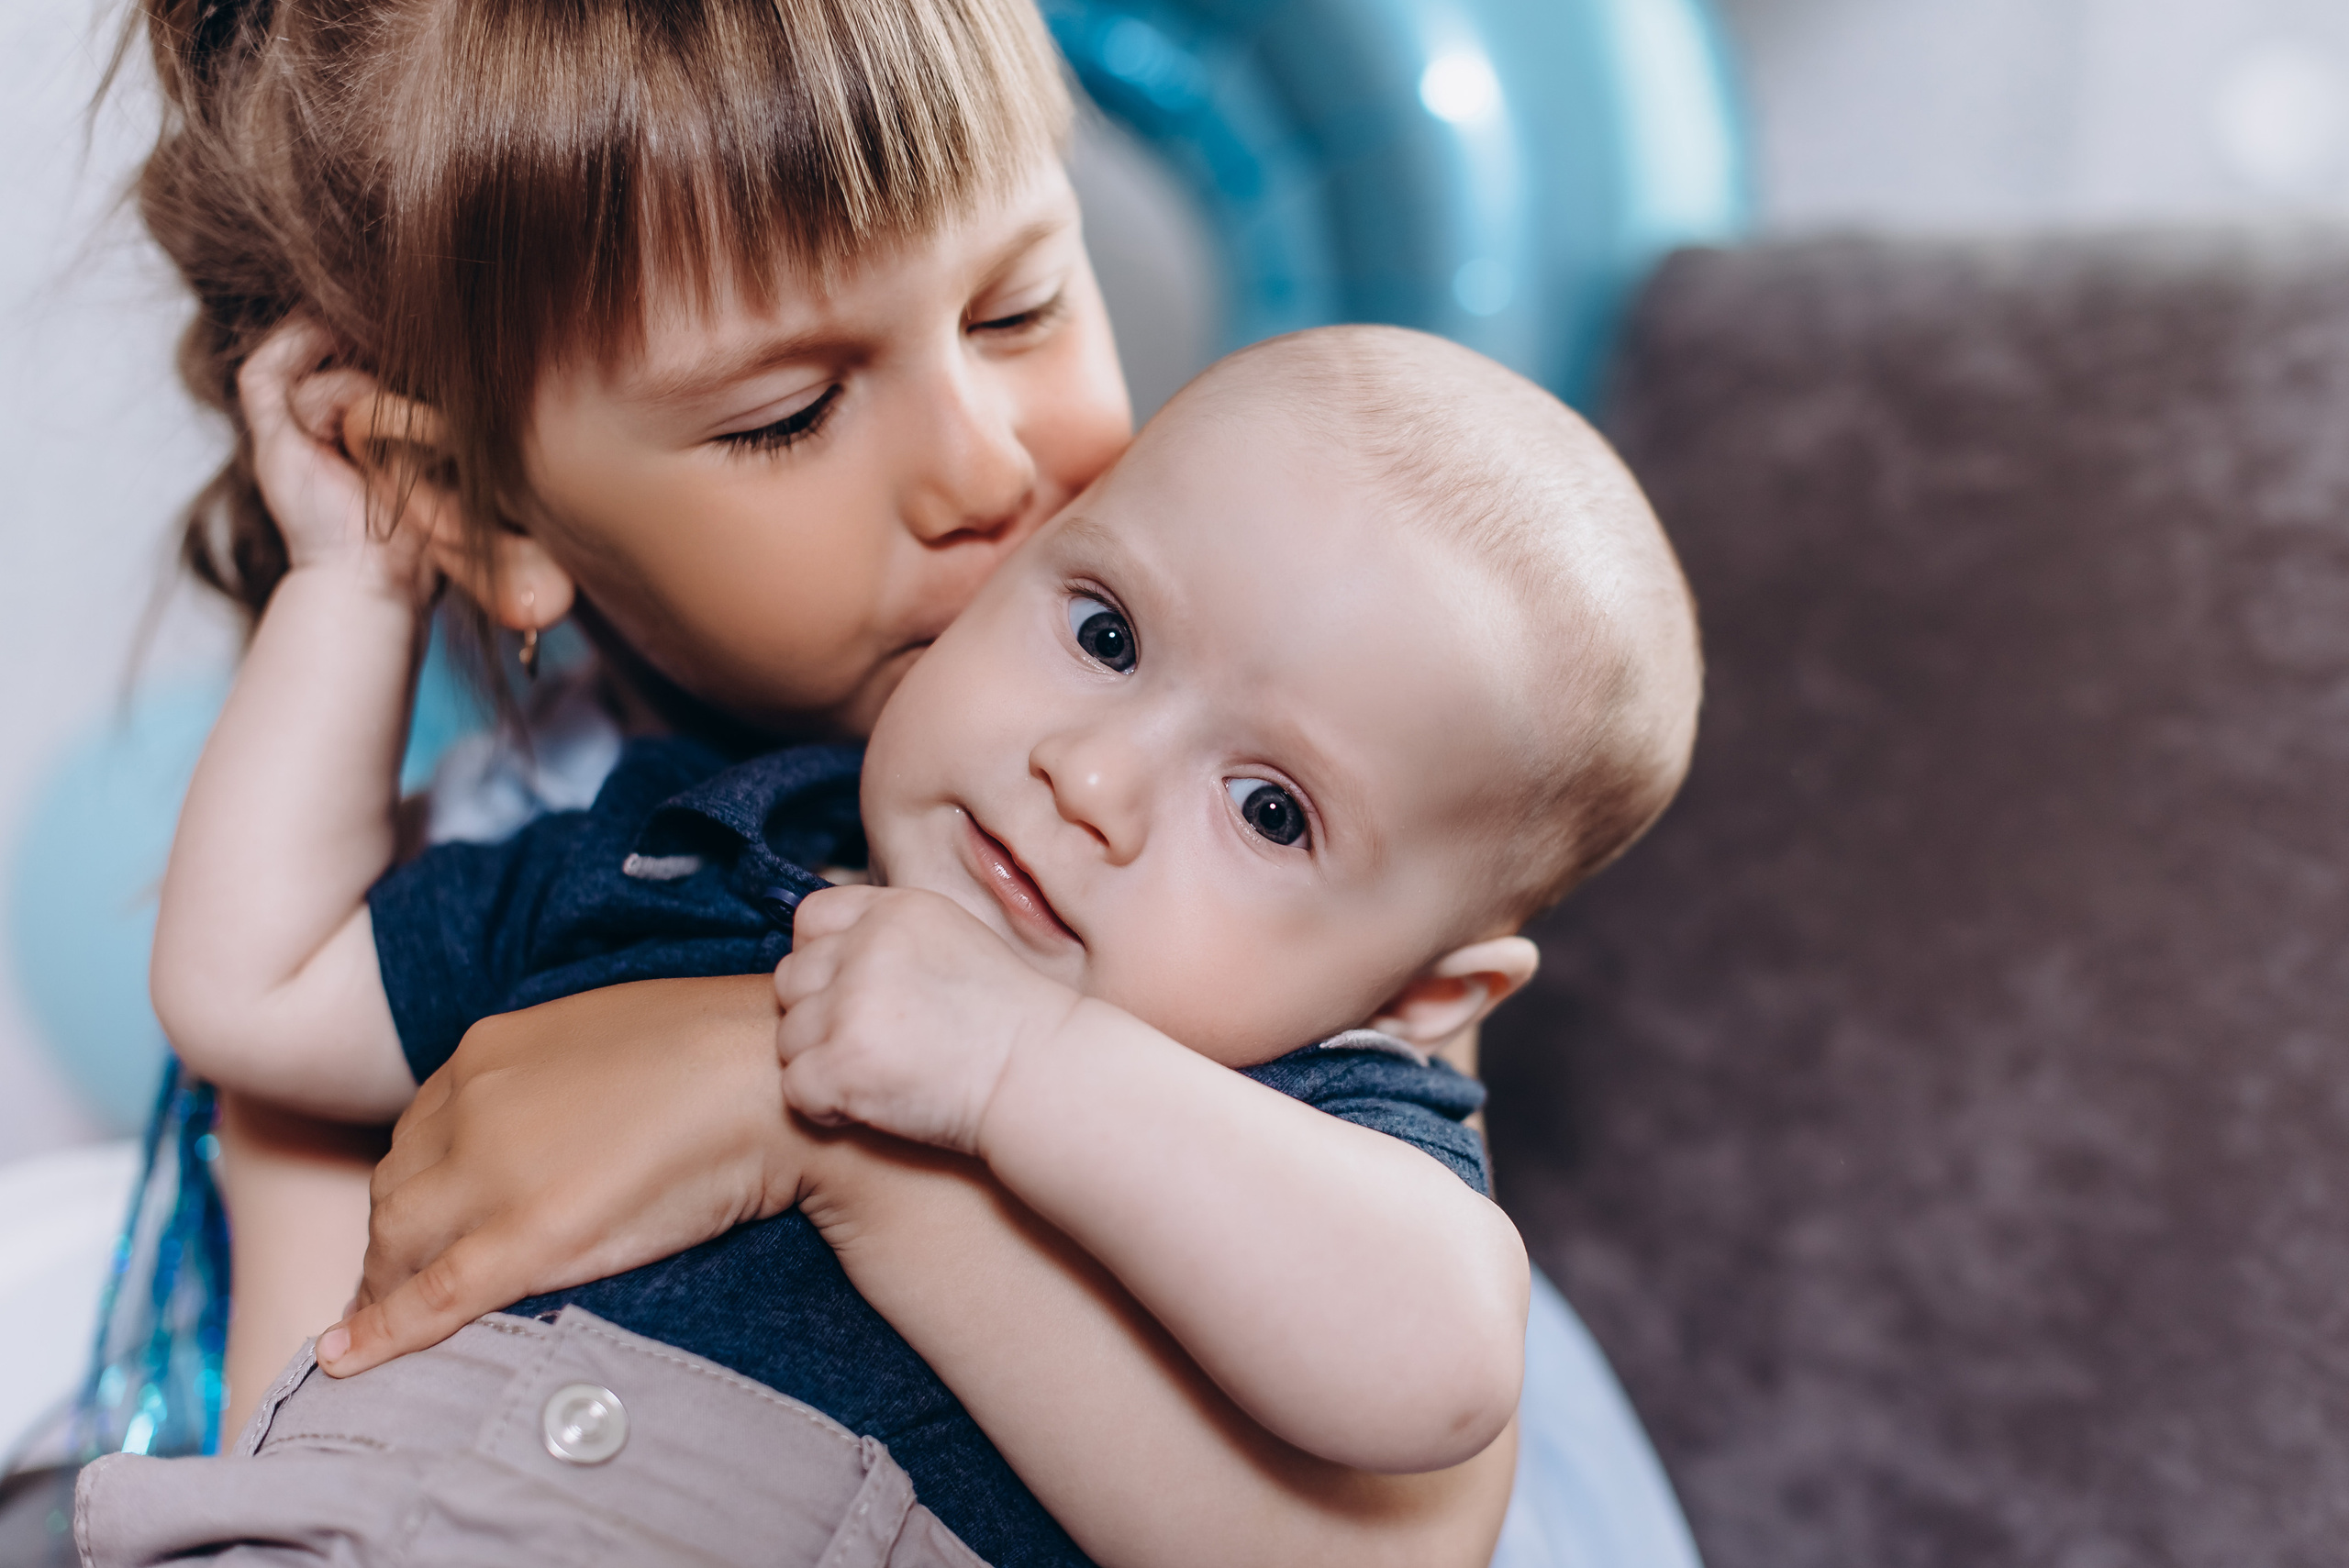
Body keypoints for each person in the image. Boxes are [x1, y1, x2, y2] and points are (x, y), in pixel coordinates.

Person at [88, 323, 1699, 1568]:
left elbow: (1433, 1363)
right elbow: (255, 993)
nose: (1095, 777)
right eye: (1106, 634)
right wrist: (353, 584)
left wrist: (1015, 1064)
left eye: (1272, 810)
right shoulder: (684, 837)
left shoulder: (1291, 1113)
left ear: (1423, 995)